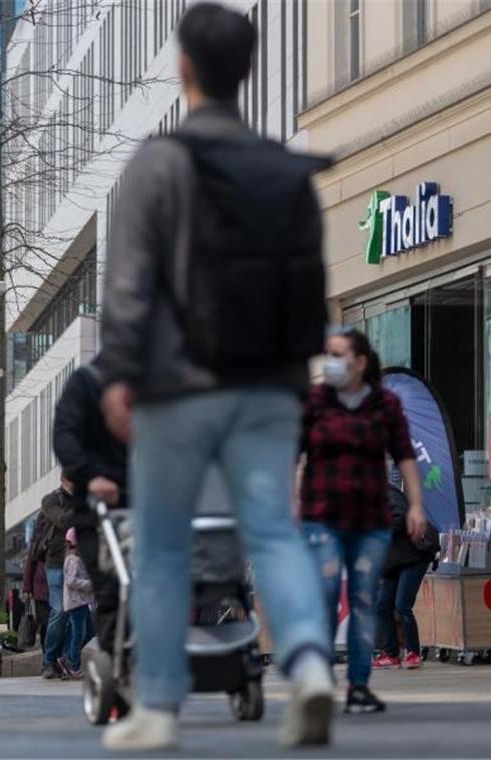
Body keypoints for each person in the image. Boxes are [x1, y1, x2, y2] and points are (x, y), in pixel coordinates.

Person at [96, 4, 337, 750]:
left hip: (177, 387)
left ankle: (160, 709)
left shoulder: (159, 163)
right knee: (272, 532)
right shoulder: (286, 170)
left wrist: (120, 374)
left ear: (184, 69)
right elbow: (311, 283)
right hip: (268, 384)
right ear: (249, 70)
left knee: (164, 544)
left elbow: (129, 282)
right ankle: (307, 664)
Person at [298, 328, 428, 714]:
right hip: (322, 515)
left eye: (338, 355)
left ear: (359, 361)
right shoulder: (316, 401)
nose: (331, 363)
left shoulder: (385, 405)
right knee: (323, 595)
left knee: (363, 601)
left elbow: (405, 456)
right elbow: (294, 453)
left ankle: (358, 686)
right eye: (328, 354)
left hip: (371, 520)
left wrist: (417, 506)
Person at [51, 358, 128, 665]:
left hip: (152, 502)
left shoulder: (165, 377)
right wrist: (90, 476)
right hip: (98, 508)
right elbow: (65, 434)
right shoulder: (87, 383)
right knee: (110, 589)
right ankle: (117, 664)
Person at [374, 484, 440, 670]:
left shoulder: (388, 493)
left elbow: (401, 519)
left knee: (402, 605)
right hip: (393, 562)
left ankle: (413, 652)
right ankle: (391, 654)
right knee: (382, 607)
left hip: (412, 557)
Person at [36, 477, 72, 678]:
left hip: (81, 565)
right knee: (60, 611)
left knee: (82, 618)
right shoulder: (51, 500)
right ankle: (49, 660)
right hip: (56, 564)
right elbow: (64, 520)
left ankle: (65, 658)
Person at [59, 528, 94, 680]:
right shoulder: (73, 560)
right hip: (76, 602)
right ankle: (74, 665)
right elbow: (72, 581)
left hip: (81, 601)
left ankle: (68, 658)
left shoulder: (74, 558)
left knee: (88, 631)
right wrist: (90, 584)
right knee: (79, 634)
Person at [21, 512, 51, 653]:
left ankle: (51, 656)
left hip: (43, 587)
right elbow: (30, 564)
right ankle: (48, 657)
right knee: (45, 623)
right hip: (42, 589)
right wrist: (27, 587)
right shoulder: (38, 538)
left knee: (50, 623)